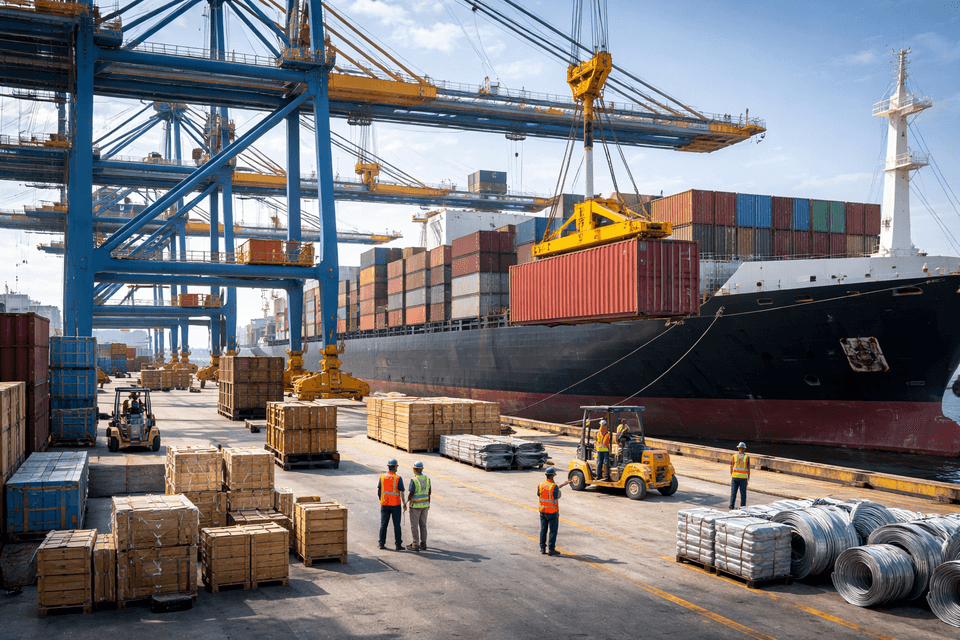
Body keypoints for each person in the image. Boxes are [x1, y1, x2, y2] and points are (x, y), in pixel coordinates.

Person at [538, 467, 571, 556]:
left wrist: (563, 484)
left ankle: (542, 548)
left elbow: (540, 493)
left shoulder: (540, 484)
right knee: (553, 531)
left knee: (543, 530)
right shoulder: (553, 486)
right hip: (552, 512)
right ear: (553, 475)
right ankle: (551, 549)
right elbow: (556, 495)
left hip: (542, 511)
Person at [378, 459, 405, 550]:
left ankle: (381, 543)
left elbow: (379, 490)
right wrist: (404, 503)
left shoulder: (382, 477)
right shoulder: (398, 478)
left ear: (388, 466)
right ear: (396, 467)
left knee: (383, 524)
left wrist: (381, 499)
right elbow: (401, 492)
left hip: (384, 504)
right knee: (397, 525)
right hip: (395, 505)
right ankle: (398, 544)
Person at [404, 461, 430, 551]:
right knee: (423, 525)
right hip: (425, 505)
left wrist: (407, 501)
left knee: (414, 525)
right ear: (422, 469)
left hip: (415, 506)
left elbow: (411, 492)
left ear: (414, 470)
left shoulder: (414, 480)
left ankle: (415, 544)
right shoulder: (427, 479)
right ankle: (423, 543)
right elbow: (429, 492)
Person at [729, 442, 750, 510]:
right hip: (743, 478)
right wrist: (748, 477)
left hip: (735, 477)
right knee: (743, 493)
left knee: (733, 492)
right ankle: (742, 507)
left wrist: (732, 474)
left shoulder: (734, 456)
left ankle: (731, 505)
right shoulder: (747, 457)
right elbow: (748, 467)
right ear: (744, 449)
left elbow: (731, 466)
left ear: (738, 448)